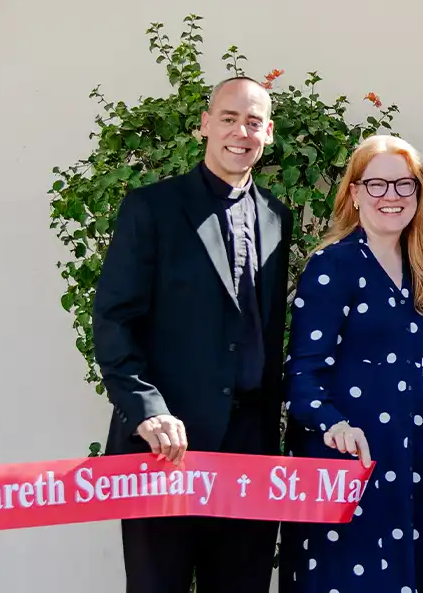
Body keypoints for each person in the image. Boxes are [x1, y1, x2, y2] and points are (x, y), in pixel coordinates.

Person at [92, 76, 293, 592]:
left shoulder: (277, 216)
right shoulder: (150, 208)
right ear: (205, 124)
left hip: (250, 453)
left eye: (253, 122)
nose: (240, 132)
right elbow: (114, 319)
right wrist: (147, 409)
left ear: (268, 133)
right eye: (229, 118)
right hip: (164, 446)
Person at [277, 135, 423, 592]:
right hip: (344, 461)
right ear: (354, 192)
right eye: (377, 184)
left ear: (418, 192)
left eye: (404, 184)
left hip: (402, 458)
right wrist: (334, 424)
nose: (391, 196)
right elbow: (302, 374)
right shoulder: (333, 266)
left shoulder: (421, 268)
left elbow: (416, 377)